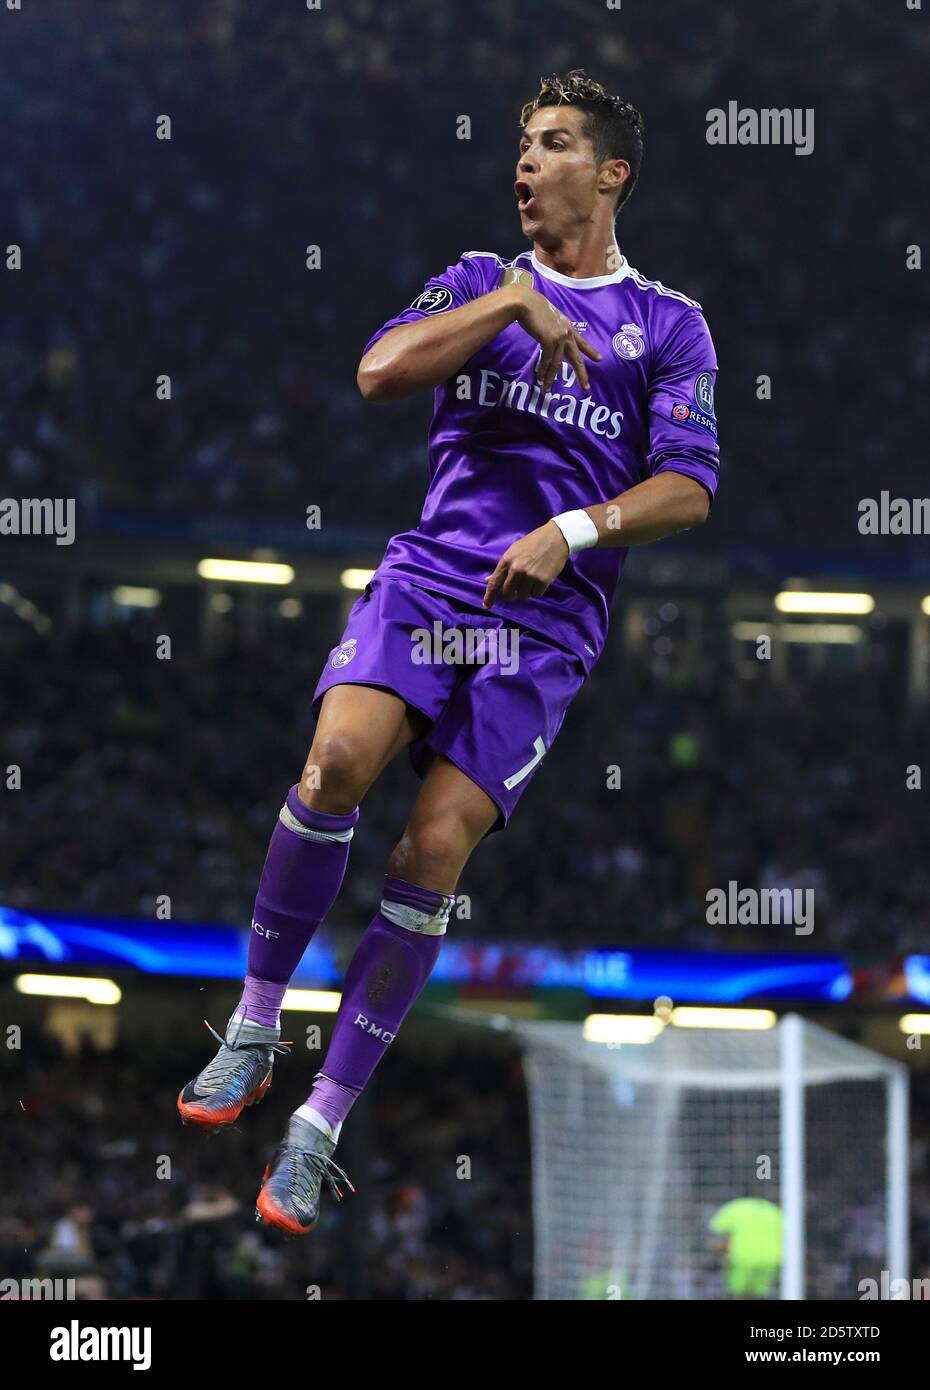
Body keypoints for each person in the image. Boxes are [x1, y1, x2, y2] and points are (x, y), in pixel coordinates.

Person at [178, 68, 721, 1236]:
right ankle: (257, 1026)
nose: (526, 162)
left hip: (549, 623)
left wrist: (572, 530)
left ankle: (319, 1125)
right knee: (333, 765)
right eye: (523, 143)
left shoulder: (671, 326)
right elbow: (380, 370)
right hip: (432, 577)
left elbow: (689, 488)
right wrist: (511, 307)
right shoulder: (477, 280)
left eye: (556, 143)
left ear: (611, 173)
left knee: (433, 844)